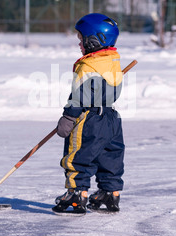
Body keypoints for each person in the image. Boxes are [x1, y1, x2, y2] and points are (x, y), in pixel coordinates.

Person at [53, 13, 125, 215]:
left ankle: (76, 194)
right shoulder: (113, 60)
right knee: (110, 156)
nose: (79, 43)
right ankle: (110, 193)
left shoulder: (88, 66)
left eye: (81, 39)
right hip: (111, 119)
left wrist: (68, 117)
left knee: (78, 157)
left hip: (89, 119)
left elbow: (79, 97)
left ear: (94, 40)